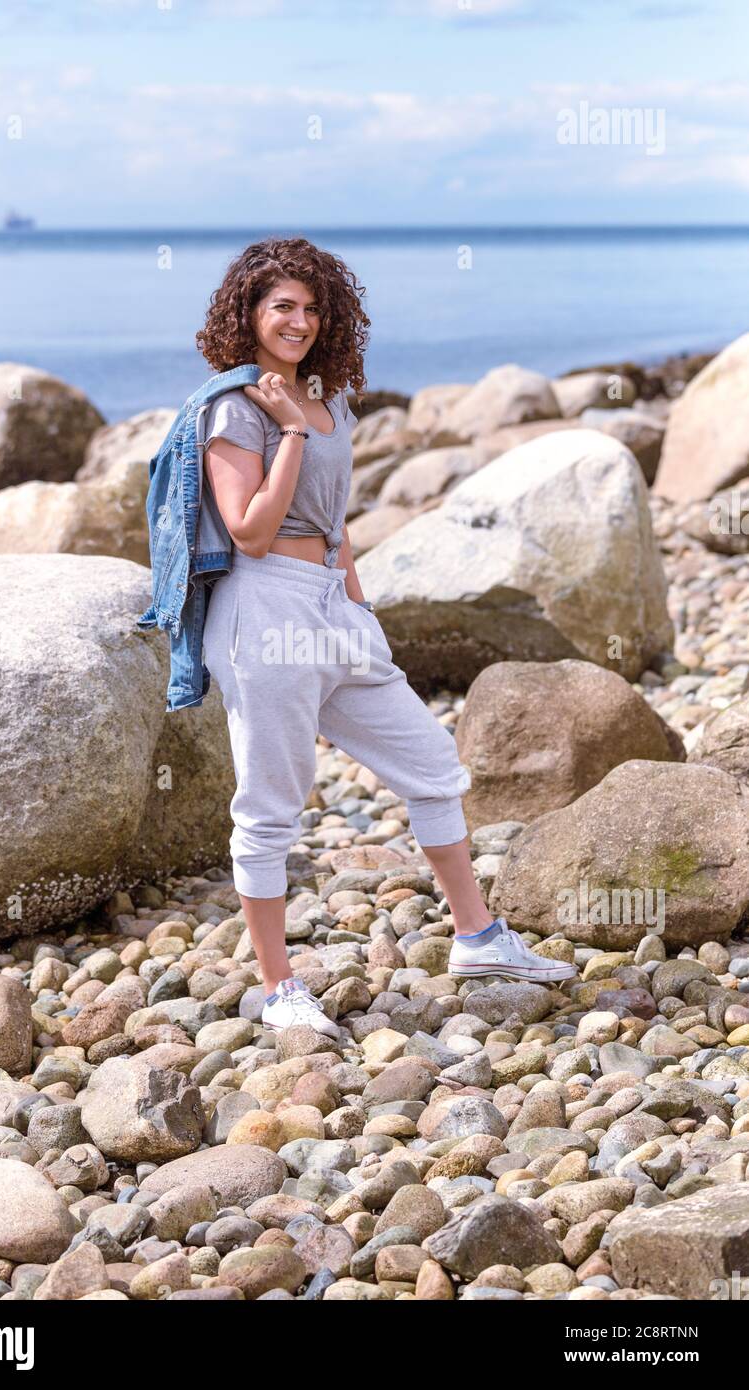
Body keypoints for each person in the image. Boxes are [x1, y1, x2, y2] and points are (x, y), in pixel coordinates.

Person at [194, 237, 575, 1037]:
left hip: (333, 606)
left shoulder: (332, 401)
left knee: (435, 768)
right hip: (264, 610)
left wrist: (360, 613)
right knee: (270, 807)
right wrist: (289, 432)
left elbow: (336, 526)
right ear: (249, 315)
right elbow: (250, 531)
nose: (298, 321)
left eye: (309, 307)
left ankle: (477, 939)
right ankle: (280, 990)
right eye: (280, 307)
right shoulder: (235, 407)